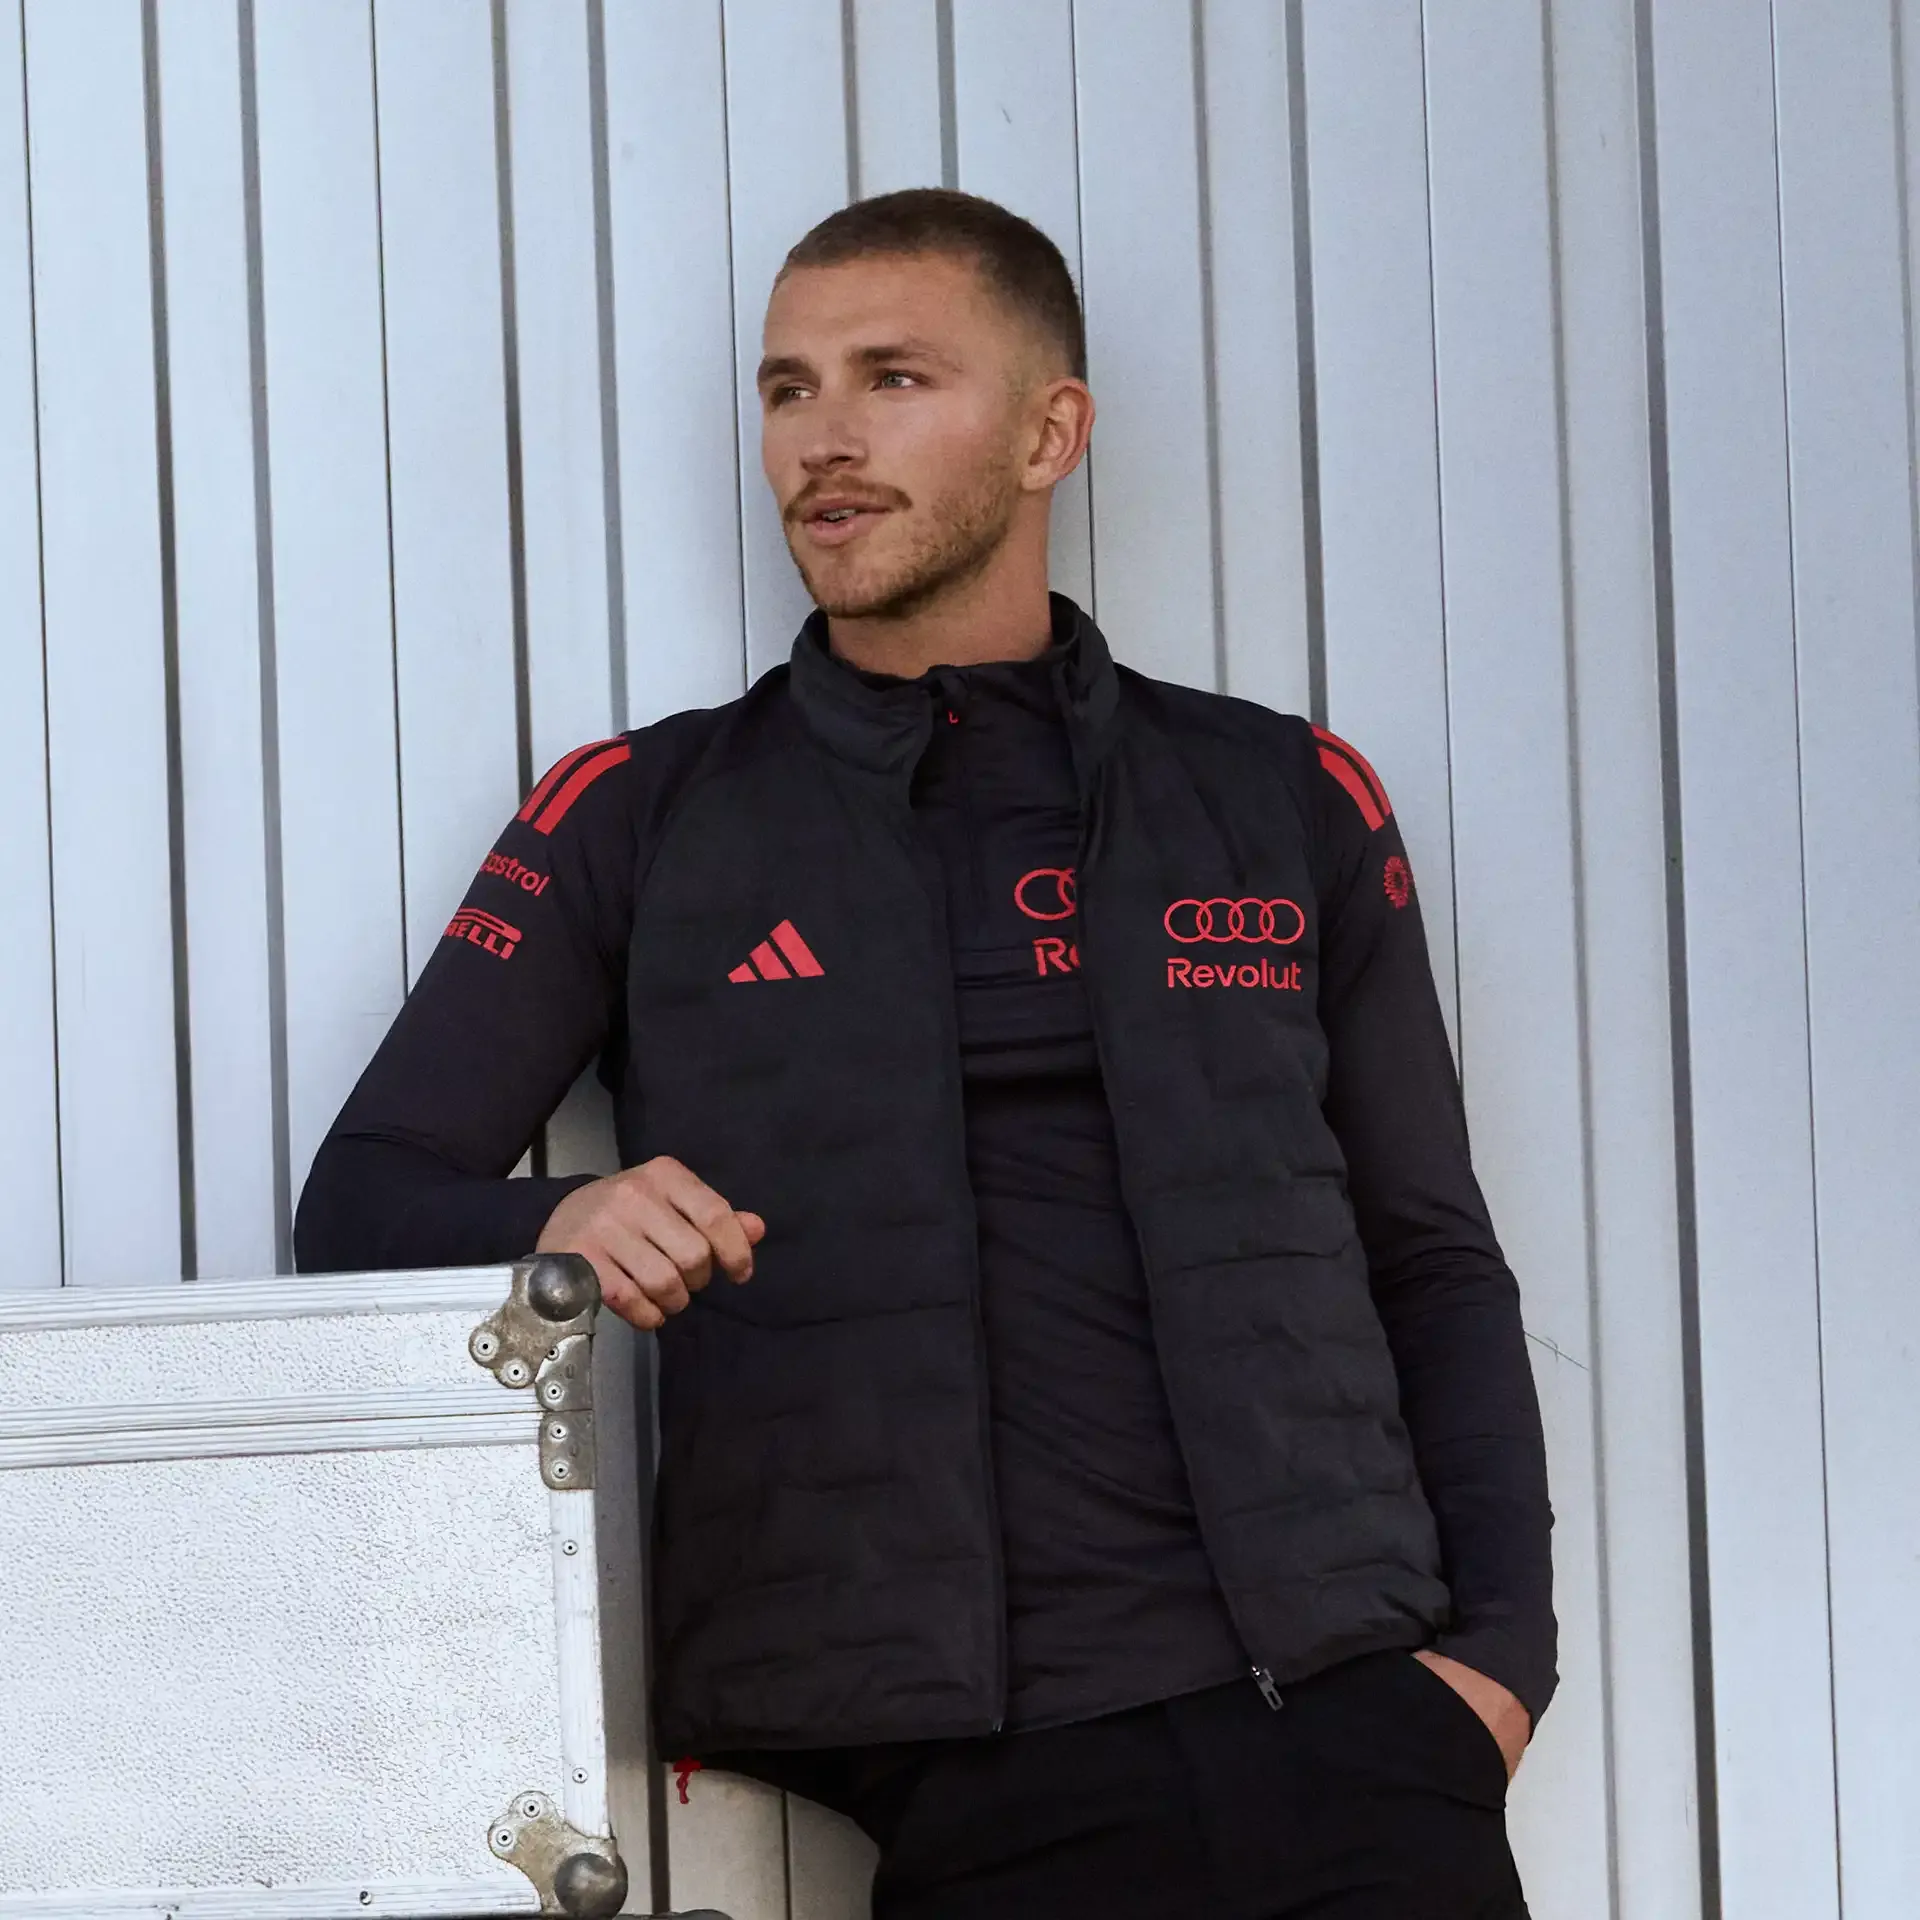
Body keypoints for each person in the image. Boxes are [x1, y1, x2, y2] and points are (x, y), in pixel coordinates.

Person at [297, 188, 1553, 1919]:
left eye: (892, 378)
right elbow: (358, 1199)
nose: (824, 440)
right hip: (959, 1772)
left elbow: (1430, 1255)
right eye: (786, 389)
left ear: (1053, 432)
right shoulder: (643, 816)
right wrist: (557, 1226)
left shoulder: (1281, 799)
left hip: (1357, 1729)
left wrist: (1494, 1667)